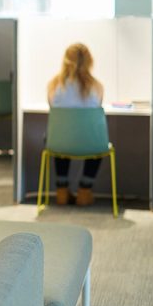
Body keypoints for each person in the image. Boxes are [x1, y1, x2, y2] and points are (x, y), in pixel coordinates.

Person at [47, 42, 105, 206]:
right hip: (89, 142)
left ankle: (62, 191)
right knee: (97, 140)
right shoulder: (97, 86)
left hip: (60, 142)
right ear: (89, 61)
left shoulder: (54, 85)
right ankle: (84, 192)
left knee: (61, 135)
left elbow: (53, 110)